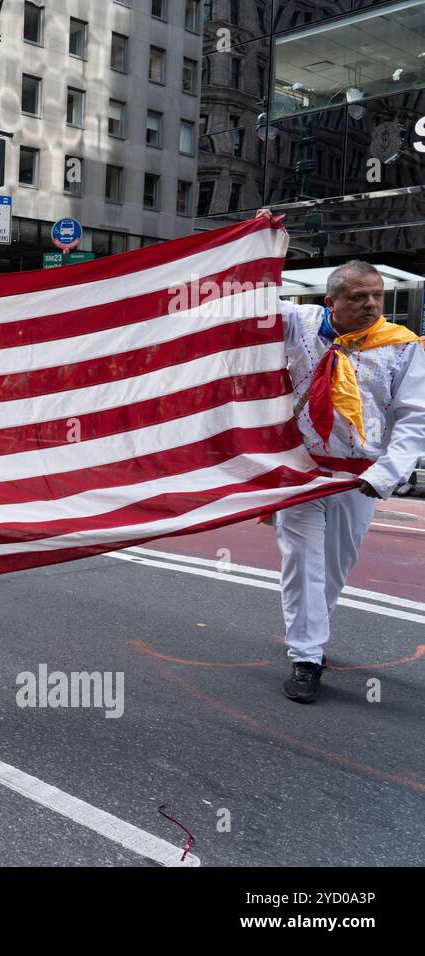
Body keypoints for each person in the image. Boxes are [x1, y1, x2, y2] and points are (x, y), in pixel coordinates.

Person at [255, 210, 425, 703]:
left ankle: (312, 635)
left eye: (377, 296)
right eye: (358, 297)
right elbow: (250, 300)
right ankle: (306, 657)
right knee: (301, 562)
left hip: (360, 477)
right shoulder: (299, 323)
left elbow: (414, 417)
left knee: (334, 567)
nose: (371, 304)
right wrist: (264, 240)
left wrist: (388, 474)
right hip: (302, 468)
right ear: (331, 301)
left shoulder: (402, 347)